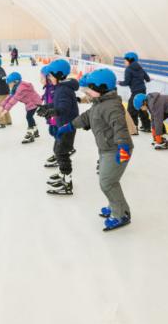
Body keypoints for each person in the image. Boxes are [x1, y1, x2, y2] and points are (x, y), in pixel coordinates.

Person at [57, 69, 133, 231]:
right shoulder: (99, 104)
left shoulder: (112, 107)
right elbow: (86, 117)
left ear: (101, 87)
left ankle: (120, 214)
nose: (87, 94)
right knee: (109, 182)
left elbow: (120, 128)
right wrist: (70, 125)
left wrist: (123, 147)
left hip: (116, 149)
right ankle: (117, 206)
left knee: (107, 182)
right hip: (106, 148)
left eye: (88, 90)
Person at [38, 59, 79, 195]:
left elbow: (64, 107)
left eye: (50, 75)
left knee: (61, 152)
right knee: (57, 149)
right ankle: (63, 175)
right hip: (63, 125)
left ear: (59, 75)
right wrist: (46, 107)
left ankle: (67, 183)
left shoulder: (63, 90)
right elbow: (57, 104)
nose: (49, 78)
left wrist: (52, 112)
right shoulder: (60, 88)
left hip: (67, 126)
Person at [0, 72, 42, 144]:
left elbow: (14, 99)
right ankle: (35, 130)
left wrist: (6, 110)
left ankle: (30, 133)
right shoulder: (16, 87)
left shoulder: (21, 88)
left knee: (29, 117)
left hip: (34, 103)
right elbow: (10, 97)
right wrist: (2, 106)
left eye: (9, 83)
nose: (8, 85)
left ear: (15, 81)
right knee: (30, 117)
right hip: (30, 103)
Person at [118, 52, 151, 134]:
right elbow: (148, 79)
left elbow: (126, 82)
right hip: (143, 90)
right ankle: (146, 126)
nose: (124, 62)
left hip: (136, 92)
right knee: (142, 108)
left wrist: (119, 83)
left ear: (130, 60)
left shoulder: (128, 69)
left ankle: (133, 129)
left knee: (131, 109)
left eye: (125, 60)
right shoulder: (140, 68)